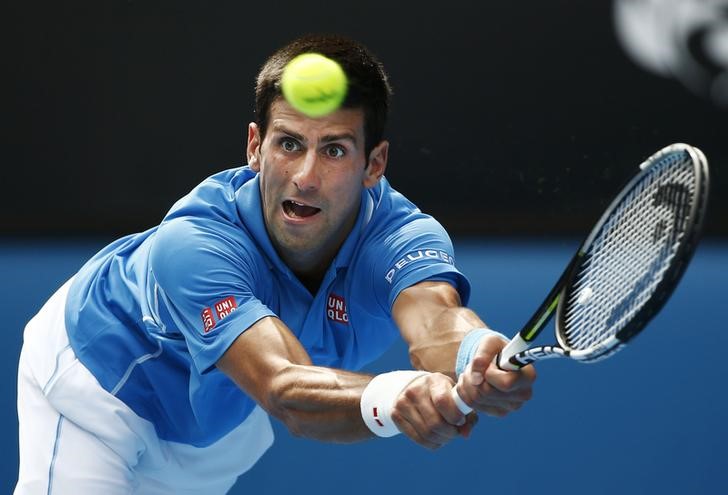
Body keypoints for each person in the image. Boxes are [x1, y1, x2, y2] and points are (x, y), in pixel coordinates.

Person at [15, 34, 536, 494]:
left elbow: (435, 321)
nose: (305, 177)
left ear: (373, 164)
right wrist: (395, 394)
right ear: (255, 147)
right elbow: (284, 386)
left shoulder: (400, 237)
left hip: (212, 429)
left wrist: (473, 352)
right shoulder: (196, 241)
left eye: (334, 151)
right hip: (95, 383)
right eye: (289, 144)